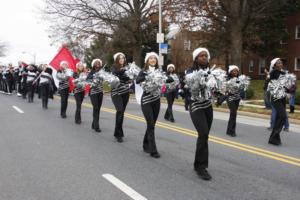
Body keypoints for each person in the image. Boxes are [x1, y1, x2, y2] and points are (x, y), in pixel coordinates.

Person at [185, 47, 213, 180]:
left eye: (205, 55)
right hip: (196, 105)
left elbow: (215, 86)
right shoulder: (190, 71)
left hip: (207, 105)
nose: (204, 57)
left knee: (205, 136)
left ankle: (198, 164)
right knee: (203, 133)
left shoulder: (211, 72)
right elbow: (189, 84)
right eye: (201, 56)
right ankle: (202, 167)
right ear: (196, 58)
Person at [136, 52, 164, 158]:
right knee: (150, 124)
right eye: (150, 58)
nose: (153, 60)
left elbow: (165, 80)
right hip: (146, 100)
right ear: (147, 61)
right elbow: (138, 80)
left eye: (154, 58)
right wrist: (148, 77)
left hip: (156, 100)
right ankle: (153, 150)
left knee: (152, 124)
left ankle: (145, 144)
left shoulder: (159, 71)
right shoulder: (143, 71)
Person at [111, 52, 131, 142]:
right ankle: (119, 134)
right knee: (119, 110)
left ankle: (117, 132)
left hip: (125, 92)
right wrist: (124, 70)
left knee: (121, 112)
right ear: (117, 60)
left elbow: (129, 78)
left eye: (123, 58)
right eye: (120, 58)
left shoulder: (127, 68)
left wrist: (131, 76)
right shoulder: (114, 67)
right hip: (116, 93)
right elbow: (115, 73)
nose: (122, 59)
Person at [268, 58, 287, 146]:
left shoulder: (284, 73)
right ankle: (274, 137)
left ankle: (274, 138)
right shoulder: (273, 73)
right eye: (278, 63)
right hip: (275, 98)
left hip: (282, 97)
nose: (280, 64)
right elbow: (271, 84)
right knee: (282, 116)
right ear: (274, 65)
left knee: (280, 117)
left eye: (281, 62)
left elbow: (287, 85)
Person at [86, 59, 104, 133]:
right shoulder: (91, 72)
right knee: (95, 108)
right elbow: (87, 80)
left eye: (99, 63)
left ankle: (94, 124)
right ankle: (97, 126)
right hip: (93, 92)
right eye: (96, 63)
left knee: (98, 109)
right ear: (93, 64)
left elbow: (105, 79)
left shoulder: (102, 72)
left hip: (100, 92)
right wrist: (94, 76)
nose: (98, 64)